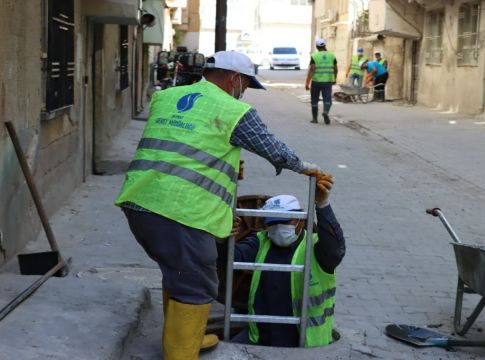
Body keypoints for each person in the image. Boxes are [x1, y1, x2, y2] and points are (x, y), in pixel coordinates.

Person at [115, 50, 319, 360]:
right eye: (247, 84)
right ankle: (180, 353)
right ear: (235, 79)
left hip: (140, 203)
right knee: (197, 283)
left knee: (178, 272)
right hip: (180, 212)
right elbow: (272, 149)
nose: (246, 91)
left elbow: (185, 144)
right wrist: (307, 167)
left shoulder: (167, 97)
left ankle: (188, 339)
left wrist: (225, 162)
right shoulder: (235, 110)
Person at [222, 172, 345, 347]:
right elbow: (226, 259)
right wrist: (222, 239)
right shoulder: (260, 241)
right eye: (272, 223)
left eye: (285, 221)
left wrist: (322, 204)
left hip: (306, 343)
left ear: (300, 220)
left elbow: (336, 251)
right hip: (261, 337)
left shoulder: (316, 248)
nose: (278, 228)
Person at [305, 39, 338, 125]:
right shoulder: (332, 56)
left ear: (317, 47)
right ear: (324, 46)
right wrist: (334, 79)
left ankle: (315, 119)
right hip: (327, 82)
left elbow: (312, 69)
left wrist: (307, 82)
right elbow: (335, 69)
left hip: (316, 81)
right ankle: (325, 112)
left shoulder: (314, 56)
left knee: (314, 100)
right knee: (327, 99)